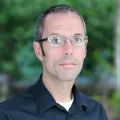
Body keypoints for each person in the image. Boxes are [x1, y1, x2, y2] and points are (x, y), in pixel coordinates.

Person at [0, 4, 108, 120]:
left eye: (77, 39)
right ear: (39, 51)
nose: (69, 50)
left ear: (85, 49)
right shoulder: (8, 114)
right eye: (56, 40)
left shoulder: (96, 112)